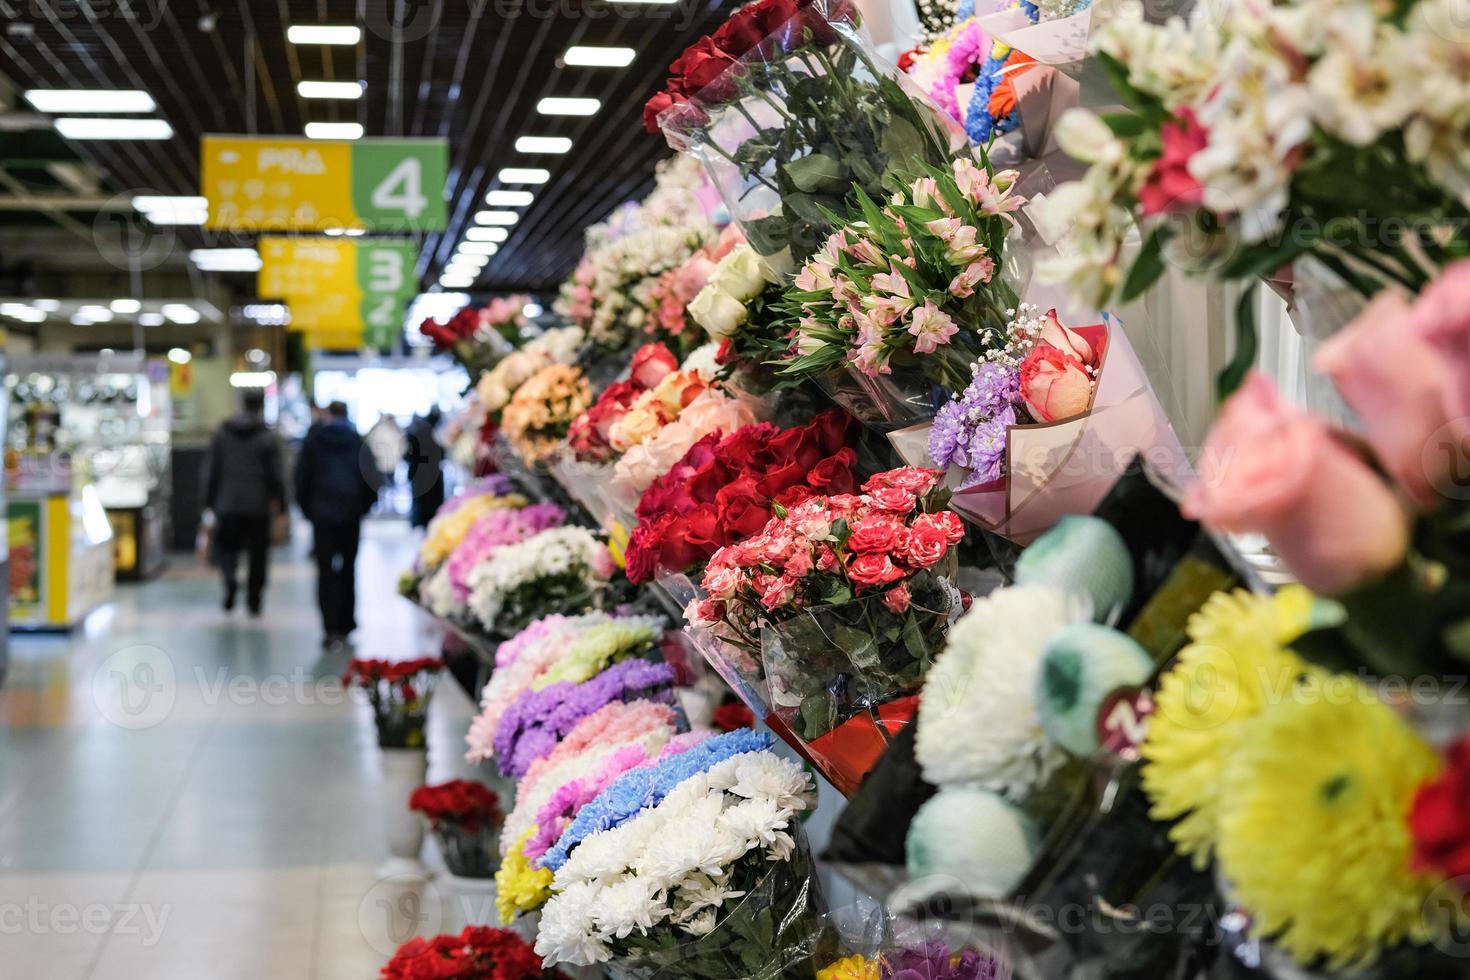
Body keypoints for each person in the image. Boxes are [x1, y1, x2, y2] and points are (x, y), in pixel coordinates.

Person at [294, 402, 381, 648]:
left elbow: (301, 480)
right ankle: (346, 623)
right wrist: (363, 508)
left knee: (325, 570)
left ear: (329, 415)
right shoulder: (357, 442)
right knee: (348, 568)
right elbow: (372, 479)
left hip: (322, 516)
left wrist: (309, 511)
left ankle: (329, 627)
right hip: (350, 515)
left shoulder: (314, 442)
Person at [201, 388, 285, 616]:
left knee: (227, 550)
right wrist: (282, 502)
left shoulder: (222, 434)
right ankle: (254, 600)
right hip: (258, 506)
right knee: (258, 555)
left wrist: (208, 502)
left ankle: (229, 581)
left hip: (227, 504)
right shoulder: (267, 437)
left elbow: (211, 471)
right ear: (260, 407)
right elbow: (276, 474)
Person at [403, 406, 446, 530]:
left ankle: (418, 524)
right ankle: (428, 525)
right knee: (432, 503)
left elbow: (407, 455)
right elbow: (442, 454)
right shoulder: (434, 435)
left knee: (419, 503)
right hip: (433, 473)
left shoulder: (414, 433)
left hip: (418, 473)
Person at [363, 412, 405, 510]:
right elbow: (373, 444)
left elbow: (403, 445)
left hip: (393, 462)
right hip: (380, 462)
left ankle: (391, 504)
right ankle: (382, 504)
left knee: (391, 483)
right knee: (381, 484)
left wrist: (397, 456)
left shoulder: (397, 430)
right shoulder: (378, 431)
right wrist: (378, 455)